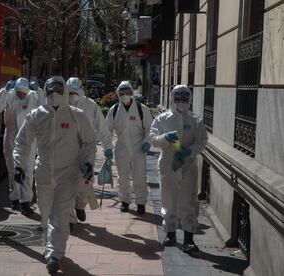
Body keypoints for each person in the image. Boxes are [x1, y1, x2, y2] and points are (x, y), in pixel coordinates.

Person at [13, 76, 97, 274]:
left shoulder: (77, 115)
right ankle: (51, 246)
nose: (54, 95)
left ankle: (54, 255)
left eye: (59, 90)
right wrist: (19, 166)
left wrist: (87, 163)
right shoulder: (36, 115)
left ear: (65, 92)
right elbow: (22, 142)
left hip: (68, 174)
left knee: (59, 215)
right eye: (51, 91)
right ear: (45, 92)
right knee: (46, 214)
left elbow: (89, 142)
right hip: (43, 173)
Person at [149, 85, 207, 253]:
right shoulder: (163, 118)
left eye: (184, 98)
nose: (181, 101)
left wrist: (190, 151)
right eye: (178, 98)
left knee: (188, 200)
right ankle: (170, 233)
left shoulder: (195, 120)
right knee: (168, 199)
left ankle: (189, 238)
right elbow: (152, 138)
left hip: (188, 165)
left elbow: (202, 140)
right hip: (168, 165)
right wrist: (165, 138)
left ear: (189, 100)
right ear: (172, 98)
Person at [66, 77, 113, 226]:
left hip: (87, 148)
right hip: (67, 147)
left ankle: (81, 205)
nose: (73, 96)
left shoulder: (90, 105)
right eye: (70, 92)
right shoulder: (61, 105)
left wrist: (108, 147)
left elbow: (101, 127)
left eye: (75, 92)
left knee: (86, 179)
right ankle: (70, 218)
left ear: (81, 90)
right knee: (67, 182)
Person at [0, 77, 39, 216]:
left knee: (28, 171)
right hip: (11, 136)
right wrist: (3, 91)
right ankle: (15, 198)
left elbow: (45, 106)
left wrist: (40, 90)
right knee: (13, 170)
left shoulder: (33, 96)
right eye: (19, 92)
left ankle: (26, 202)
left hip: (29, 138)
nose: (21, 95)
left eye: (23, 93)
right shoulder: (9, 95)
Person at [105, 81, 154, 214]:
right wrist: (107, 147)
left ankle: (141, 203)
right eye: (122, 93)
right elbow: (107, 130)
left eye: (127, 92)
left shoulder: (141, 109)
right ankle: (125, 201)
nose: (125, 95)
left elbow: (150, 128)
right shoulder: (114, 110)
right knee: (123, 177)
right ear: (118, 94)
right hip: (121, 148)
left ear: (132, 93)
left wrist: (147, 141)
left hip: (139, 148)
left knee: (140, 177)